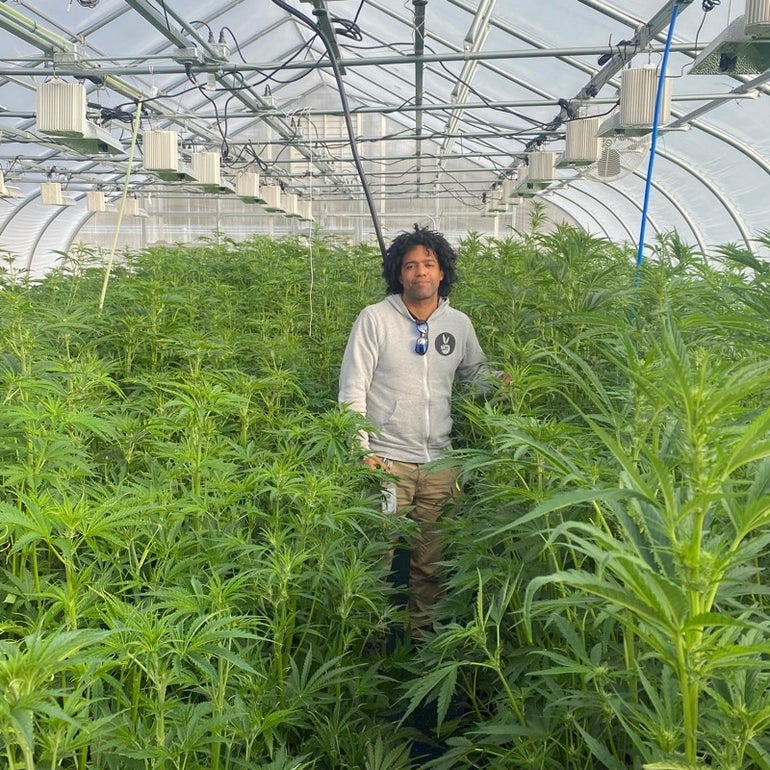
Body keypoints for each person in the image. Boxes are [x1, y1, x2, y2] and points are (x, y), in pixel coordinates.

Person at [338, 224, 492, 637]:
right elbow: (353, 387)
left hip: (440, 465)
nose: (420, 272)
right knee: (377, 559)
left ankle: (422, 647)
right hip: (387, 461)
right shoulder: (374, 319)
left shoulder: (458, 323)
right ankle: (369, 652)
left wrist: (508, 384)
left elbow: (475, 374)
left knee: (432, 563)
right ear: (398, 274)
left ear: (443, 272)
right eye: (410, 266)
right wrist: (361, 451)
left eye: (428, 264)